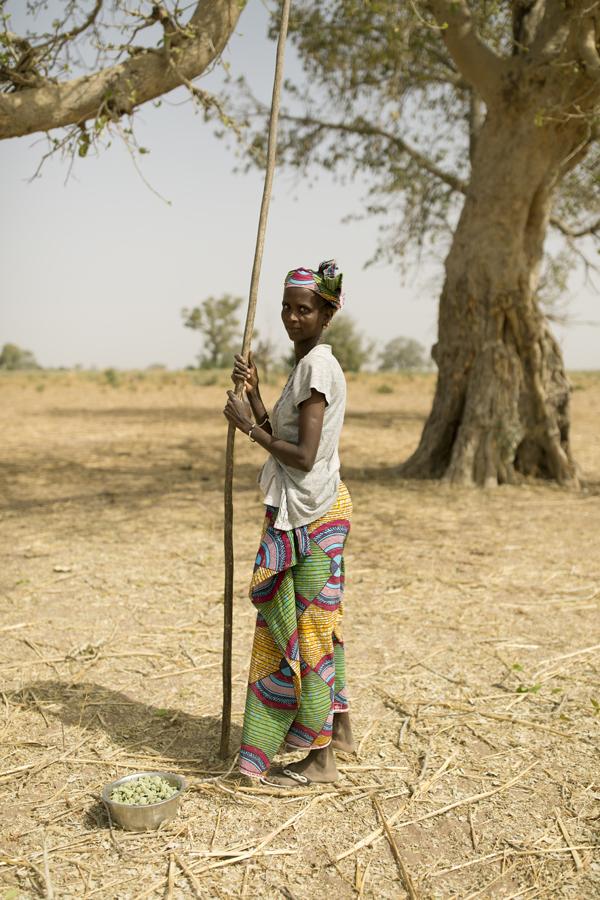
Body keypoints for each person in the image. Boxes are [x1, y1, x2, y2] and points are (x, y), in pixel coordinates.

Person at [223, 260, 356, 787]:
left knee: (313, 631)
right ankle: (341, 730)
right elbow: (283, 431)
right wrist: (254, 395)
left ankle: (321, 760)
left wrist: (245, 428)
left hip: (314, 514)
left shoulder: (318, 368)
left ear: (326, 314)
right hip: (311, 510)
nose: (291, 317)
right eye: (286, 307)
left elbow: (300, 455)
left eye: (303, 309)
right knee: (323, 624)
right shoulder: (305, 368)